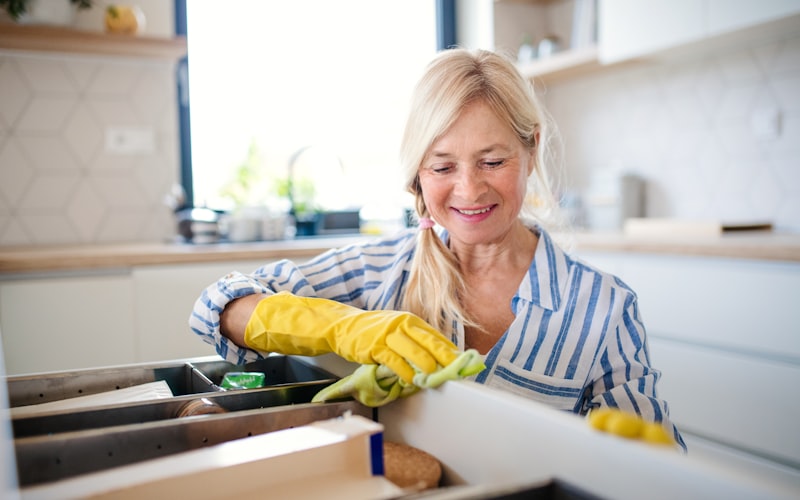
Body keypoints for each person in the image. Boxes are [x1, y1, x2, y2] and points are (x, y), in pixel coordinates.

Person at [190, 48, 685, 449]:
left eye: (492, 161)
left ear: (531, 150)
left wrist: (650, 470)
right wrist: (344, 327)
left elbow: (654, 466)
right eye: (443, 167)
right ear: (417, 176)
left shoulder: (603, 309)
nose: (469, 191)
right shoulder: (379, 271)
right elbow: (219, 305)